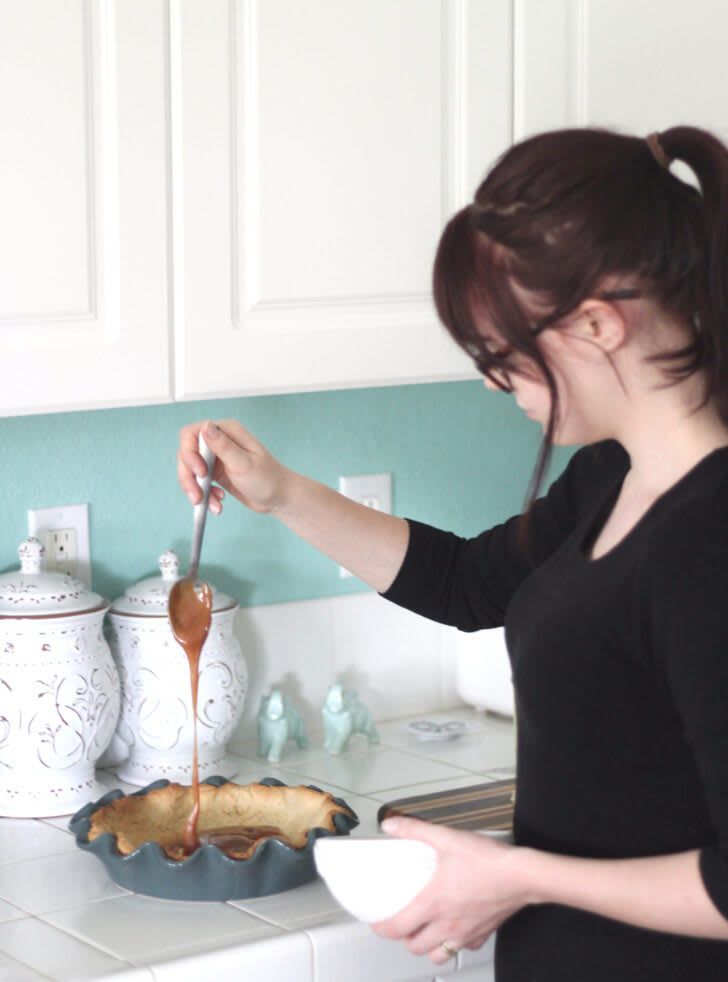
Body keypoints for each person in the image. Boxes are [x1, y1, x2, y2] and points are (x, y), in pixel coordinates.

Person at [177, 125, 728, 980]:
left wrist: (514, 877)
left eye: (501, 353)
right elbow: (469, 584)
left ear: (596, 324)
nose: (490, 381)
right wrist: (279, 489)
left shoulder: (709, 536)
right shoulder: (614, 475)